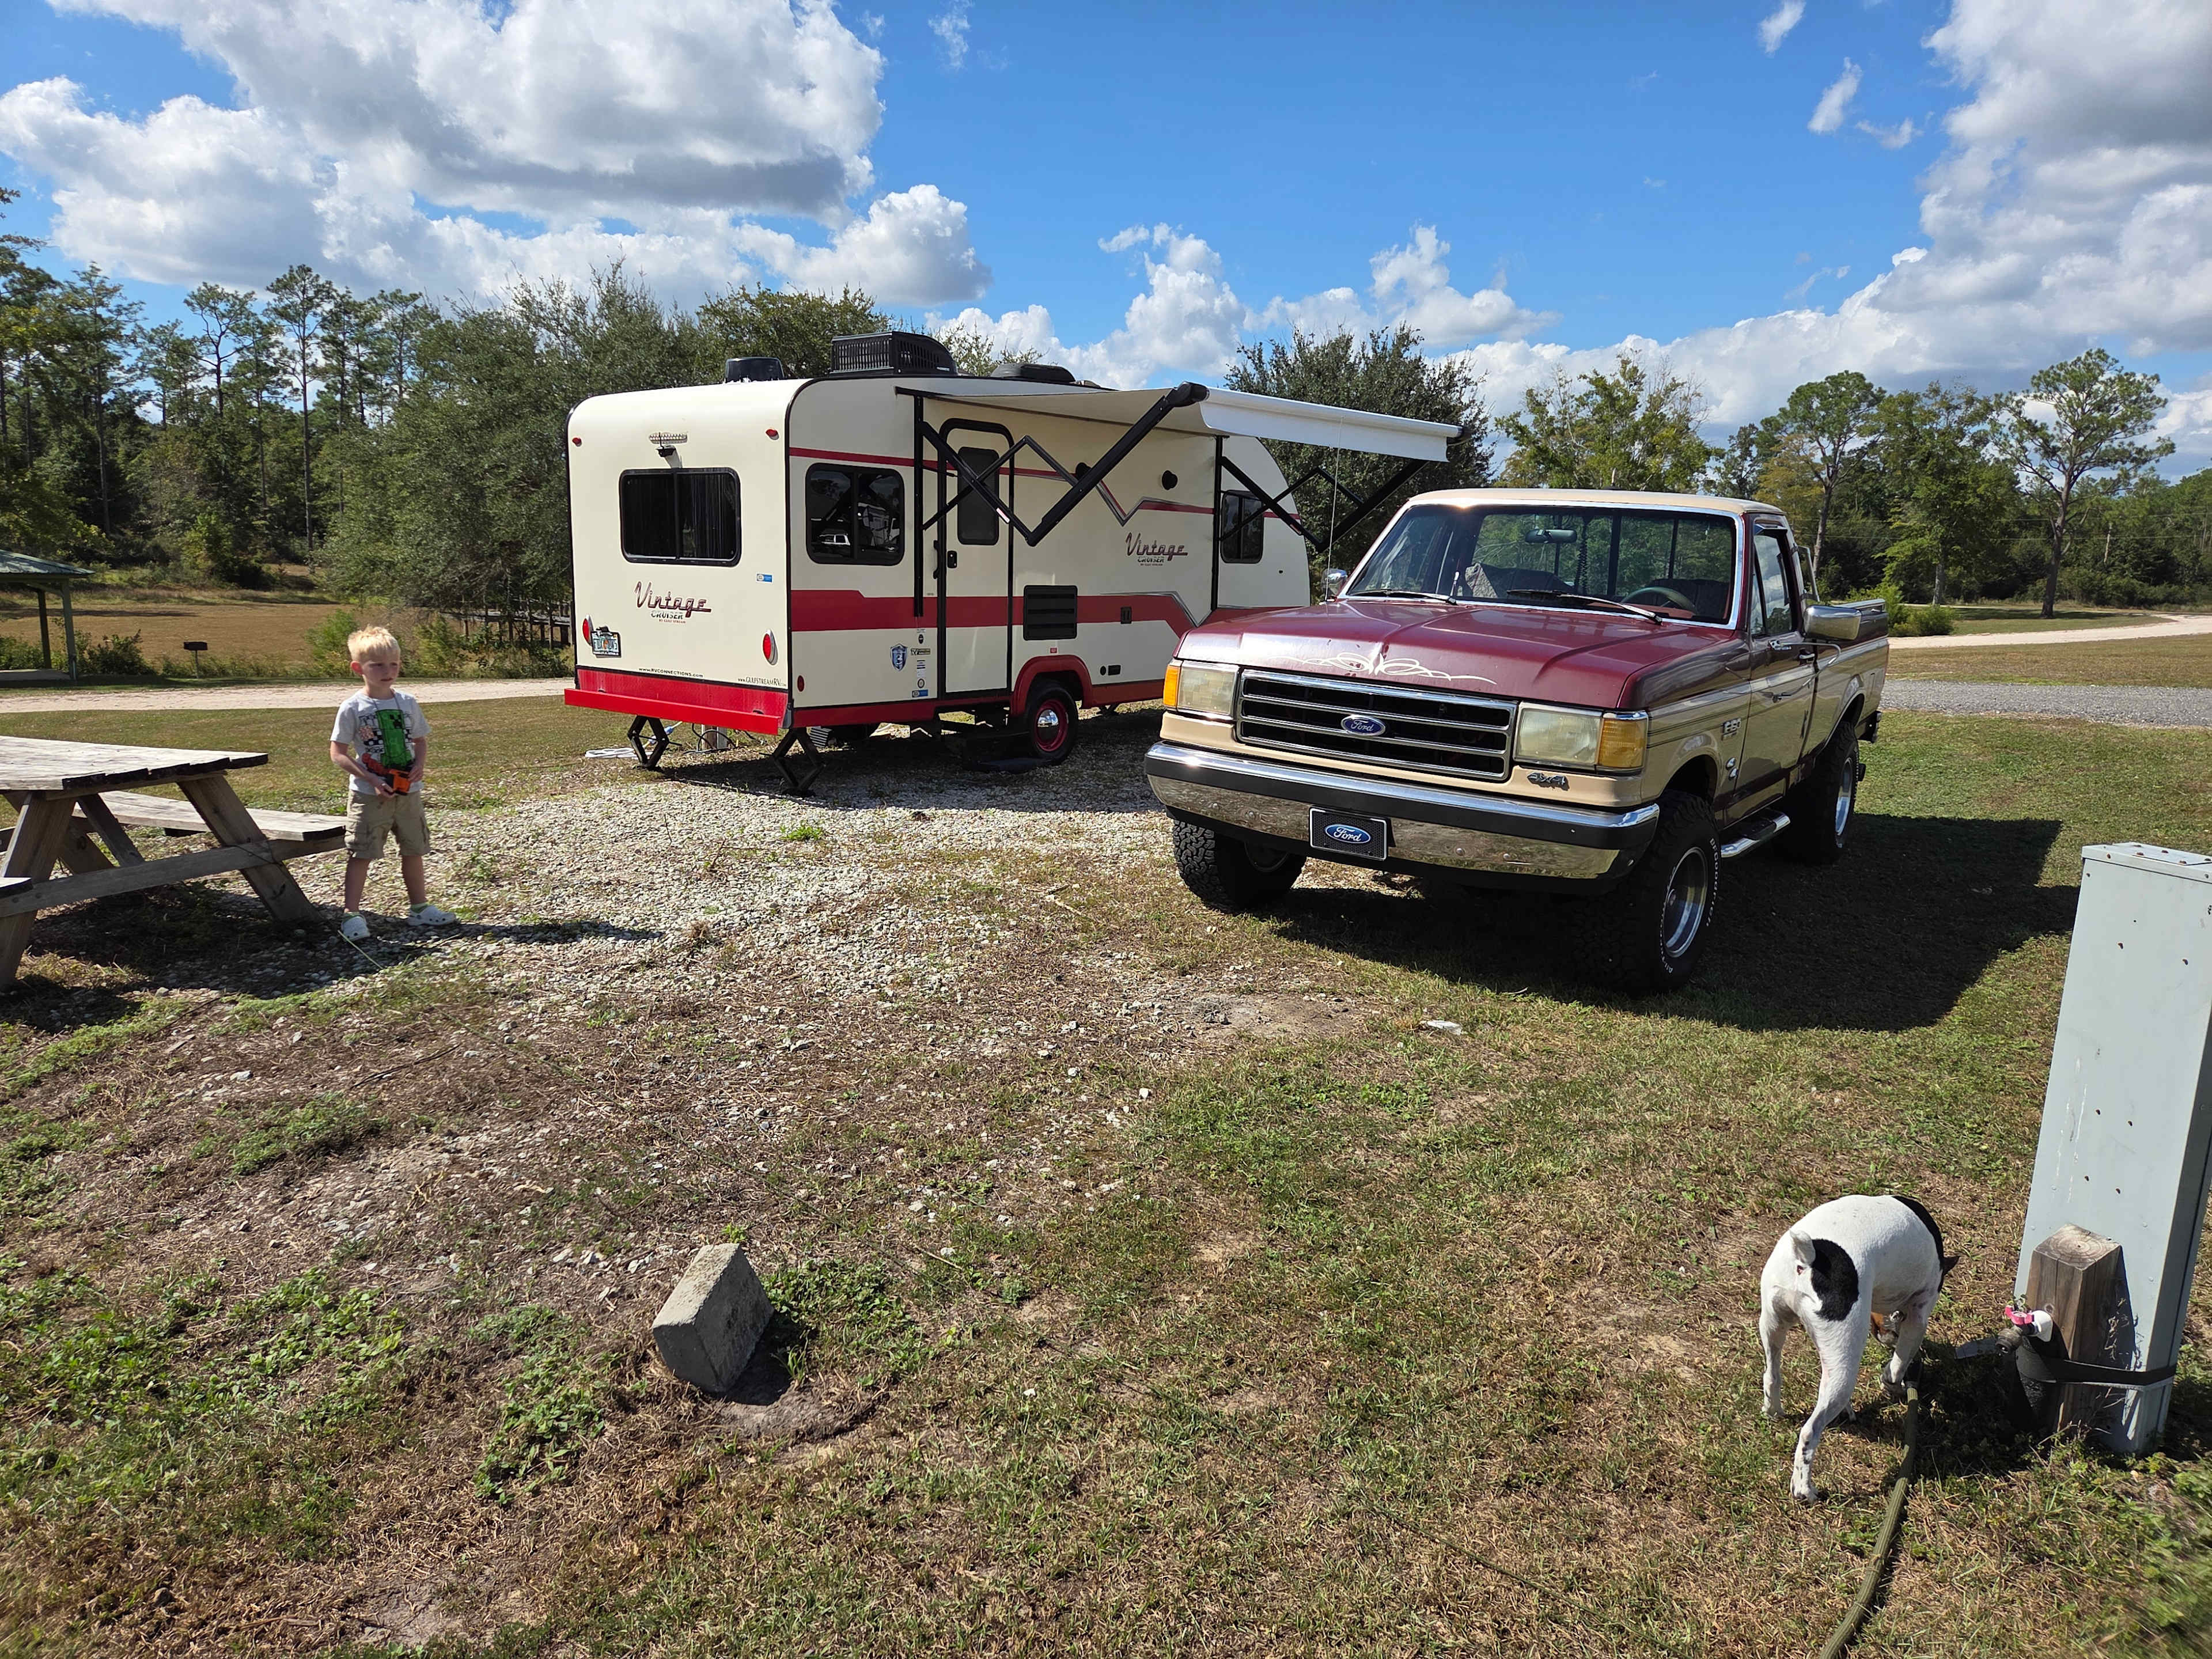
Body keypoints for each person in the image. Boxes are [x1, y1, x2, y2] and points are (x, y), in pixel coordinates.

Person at [328, 625, 456, 941]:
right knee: (362, 852)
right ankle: (352, 915)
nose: (388, 672)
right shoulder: (353, 708)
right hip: (370, 796)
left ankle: (420, 909)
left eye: (394, 664)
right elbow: (338, 754)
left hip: (408, 794)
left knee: (414, 849)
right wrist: (369, 777)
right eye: (378, 665)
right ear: (358, 669)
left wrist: (420, 767)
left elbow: (421, 740)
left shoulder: (408, 702)